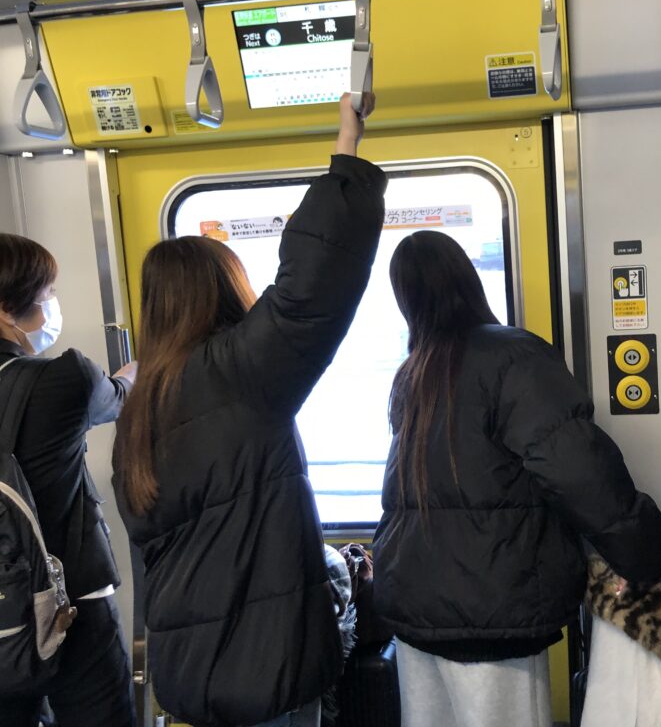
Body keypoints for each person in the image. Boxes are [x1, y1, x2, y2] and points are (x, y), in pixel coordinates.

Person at [112, 94, 386, 727]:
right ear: (222, 291)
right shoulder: (234, 374)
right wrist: (347, 147)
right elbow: (310, 287)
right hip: (261, 663)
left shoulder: (141, 406)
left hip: (188, 664)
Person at [372, 230, 661, 727]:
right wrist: (650, 555)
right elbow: (578, 470)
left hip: (413, 601)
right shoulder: (514, 356)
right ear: (468, 281)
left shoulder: (414, 372)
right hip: (493, 603)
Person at [0, 234, 137, 727]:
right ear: (6, 310)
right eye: (48, 293)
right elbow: (119, 394)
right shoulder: (63, 379)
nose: (53, 304)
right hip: (71, 603)